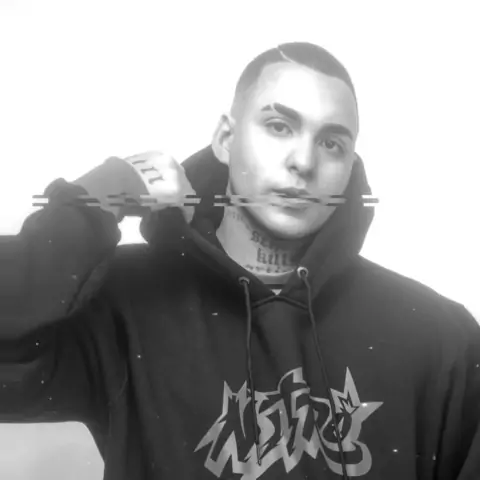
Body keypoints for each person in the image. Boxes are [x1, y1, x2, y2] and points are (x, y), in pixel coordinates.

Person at [1, 42, 479, 480]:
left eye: (331, 143)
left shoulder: (437, 337)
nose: (303, 161)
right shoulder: (125, 304)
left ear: (350, 165)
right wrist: (90, 204)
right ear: (226, 139)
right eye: (279, 126)